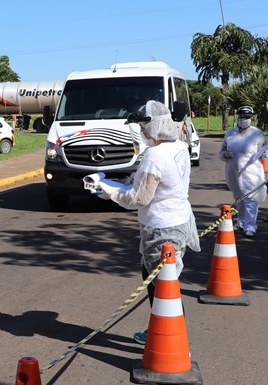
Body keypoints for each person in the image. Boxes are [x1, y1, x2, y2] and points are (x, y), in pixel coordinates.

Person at [96, 100, 200, 345]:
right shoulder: (179, 146)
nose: (142, 132)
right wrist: (128, 179)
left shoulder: (154, 155)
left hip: (161, 227)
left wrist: (109, 191)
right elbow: (162, 180)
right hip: (179, 221)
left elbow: (140, 198)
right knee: (163, 279)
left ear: (155, 126)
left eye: (144, 127)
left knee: (161, 284)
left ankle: (167, 338)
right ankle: (164, 330)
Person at [219, 106, 267, 238]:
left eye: (246, 117)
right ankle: (241, 221)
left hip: (251, 173)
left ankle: (250, 225)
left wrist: (263, 153)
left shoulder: (257, 134)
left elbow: (265, 152)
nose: (243, 119)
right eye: (241, 116)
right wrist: (225, 154)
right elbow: (221, 150)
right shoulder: (230, 133)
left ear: (252, 118)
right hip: (233, 172)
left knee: (251, 198)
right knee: (239, 198)